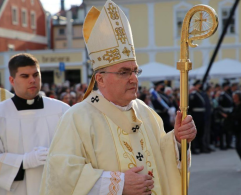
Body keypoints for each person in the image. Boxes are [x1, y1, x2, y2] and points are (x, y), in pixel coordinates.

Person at [39, 2, 196, 195]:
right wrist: (117, 184)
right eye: (124, 72)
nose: (134, 78)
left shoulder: (146, 112)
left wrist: (178, 141)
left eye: (135, 70)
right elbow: (62, 176)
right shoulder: (77, 118)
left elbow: (162, 159)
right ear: (100, 78)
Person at [0, 53, 69, 195]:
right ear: (12, 80)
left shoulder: (62, 110)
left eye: (36, 75)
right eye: (25, 76)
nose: (32, 80)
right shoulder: (1, 114)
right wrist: (23, 161)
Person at [189, 80, 205, 154]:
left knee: (201, 132)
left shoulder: (201, 94)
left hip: (202, 114)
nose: (200, 86)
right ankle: (193, 148)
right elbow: (190, 106)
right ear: (195, 86)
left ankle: (201, 147)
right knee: (194, 132)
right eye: (199, 85)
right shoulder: (193, 95)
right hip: (196, 115)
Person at [218, 81, 234, 150]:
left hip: (230, 114)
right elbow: (219, 106)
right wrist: (222, 113)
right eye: (227, 86)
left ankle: (228, 143)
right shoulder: (222, 95)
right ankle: (222, 145)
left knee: (229, 130)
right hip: (224, 114)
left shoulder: (230, 94)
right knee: (223, 131)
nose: (229, 87)